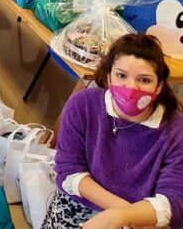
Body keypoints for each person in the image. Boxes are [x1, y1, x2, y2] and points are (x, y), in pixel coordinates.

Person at [43, 34, 183, 228]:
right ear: (108, 77)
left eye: (144, 80)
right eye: (121, 76)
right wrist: (121, 213)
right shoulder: (83, 105)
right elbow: (68, 171)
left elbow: (174, 200)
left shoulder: (175, 130)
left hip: (138, 220)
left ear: (159, 86)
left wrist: (121, 217)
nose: (131, 87)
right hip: (79, 207)